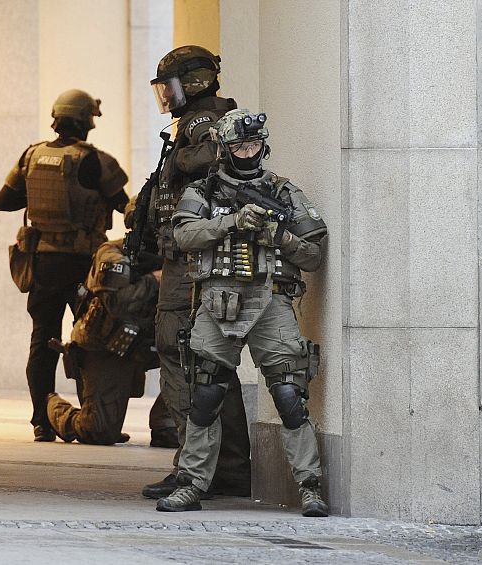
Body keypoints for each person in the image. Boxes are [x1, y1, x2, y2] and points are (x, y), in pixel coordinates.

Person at [157, 109, 329, 517]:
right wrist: (232, 222)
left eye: (253, 145)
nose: (248, 152)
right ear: (225, 149)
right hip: (218, 302)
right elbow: (183, 234)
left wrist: (276, 235)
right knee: (205, 394)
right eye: (239, 146)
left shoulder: (283, 192)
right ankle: (192, 483)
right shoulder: (204, 191)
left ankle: (309, 486)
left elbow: (314, 255)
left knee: (289, 393)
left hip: (271, 301)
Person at [140, 46, 251, 499]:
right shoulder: (202, 123)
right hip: (190, 259)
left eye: (172, 85)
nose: (167, 95)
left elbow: (208, 161)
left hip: (191, 265)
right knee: (208, 362)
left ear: (196, 81)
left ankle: (196, 469)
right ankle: (227, 467)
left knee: (182, 356)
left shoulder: (203, 123)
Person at [0, 89, 128, 442]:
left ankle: (42, 420)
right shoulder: (95, 161)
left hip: (44, 266)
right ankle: (92, 417)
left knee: (42, 341)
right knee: (90, 340)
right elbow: (125, 205)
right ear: (87, 123)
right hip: (86, 267)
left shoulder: (32, 155)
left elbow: (4, 202)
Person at [46, 238, 163, 445]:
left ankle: (166, 424)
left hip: (149, 344)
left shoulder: (184, 252)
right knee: (98, 431)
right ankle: (55, 408)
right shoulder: (113, 252)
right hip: (107, 346)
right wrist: (154, 280)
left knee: (207, 362)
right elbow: (116, 304)